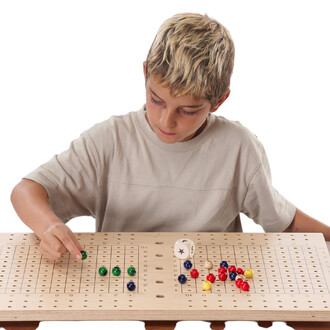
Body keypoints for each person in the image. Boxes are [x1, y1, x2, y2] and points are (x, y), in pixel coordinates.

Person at [10, 13, 330, 261]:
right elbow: (27, 190)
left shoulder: (240, 148)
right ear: (145, 72)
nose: (166, 120)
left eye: (188, 110)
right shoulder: (109, 141)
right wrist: (48, 226)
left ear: (218, 102)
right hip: (125, 291)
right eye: (156, 99)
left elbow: (286, 223)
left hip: (208, 291)